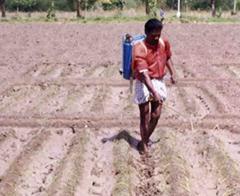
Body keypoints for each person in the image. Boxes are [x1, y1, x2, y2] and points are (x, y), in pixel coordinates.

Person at [133, 18, 176, 154]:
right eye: (153, 35)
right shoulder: (140, 48)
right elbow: (144, 75)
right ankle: (144, 145)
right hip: (144, 81)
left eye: (159, 34)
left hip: (158, 80)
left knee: (156, 114)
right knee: (144, 114)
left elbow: (167, 57)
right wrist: (154, 93)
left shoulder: (164, 43)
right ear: (146, 33)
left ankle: (144, 140)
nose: (157, 37)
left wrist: (173, 73)